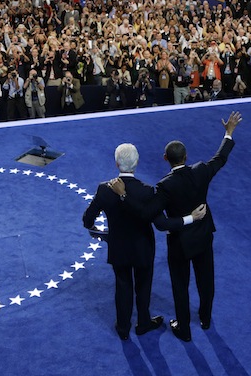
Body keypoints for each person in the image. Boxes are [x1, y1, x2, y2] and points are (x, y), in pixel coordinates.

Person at [112, 111, 242, 342]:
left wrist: (124, 196)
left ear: (165, 158)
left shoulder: (164, 186)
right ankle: (205, 318)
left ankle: (183, 328)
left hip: (179, 243)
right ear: (186, 156)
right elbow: (220, 157)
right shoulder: (201, 170)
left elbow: (149, 216)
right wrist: (229, 132)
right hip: (203, 237)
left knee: (180, 286)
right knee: (206, 280)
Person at [83, 143, 207, 341]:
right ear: (137, 163)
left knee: (122, 285)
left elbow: (87, 221)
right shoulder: (147, 192)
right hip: (143, 249)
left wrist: (103, 233)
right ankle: (143, 323)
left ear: (116, 164)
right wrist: (191, 218)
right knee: (143, 285)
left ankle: (123, 328)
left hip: (118, 248)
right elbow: (162, 224)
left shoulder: (104, 190)